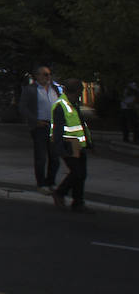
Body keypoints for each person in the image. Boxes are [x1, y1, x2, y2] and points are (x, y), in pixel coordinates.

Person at [51, 78, 93, 214]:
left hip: (78, 144)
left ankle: (78, 202)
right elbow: (57, 130)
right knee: (77, 173)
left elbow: (81, 124)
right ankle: (60, 193)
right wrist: (60, 149)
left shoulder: (73, 104)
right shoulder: (61, 106)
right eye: (79, 93)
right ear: (73, 92)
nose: (80, 96)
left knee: (81, 174)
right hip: (68, 144)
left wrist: (89, 143)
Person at [18, 65, 61, 194]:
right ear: (37, 76)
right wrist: (35, 121)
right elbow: (22, 107)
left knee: (55, 157)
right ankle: (41, 183)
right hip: (40, 127)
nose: (48, 77)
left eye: (49, 74)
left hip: (54, 126)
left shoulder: (54, 89)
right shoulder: (30, 90)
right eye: (45, 74)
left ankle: (51, 181)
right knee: (41, 157)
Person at [120, 79, 138, 144]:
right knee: (124, 123)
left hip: (130, 108)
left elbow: (136, 95)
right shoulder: (122, 87)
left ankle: (136, 138)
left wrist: (133, 104)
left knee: (133, 123)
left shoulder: (133, 85)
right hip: (124, 107)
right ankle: (125, 137)